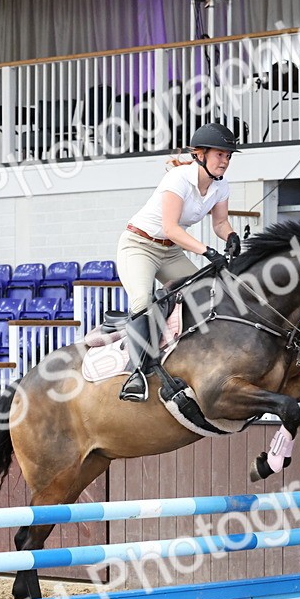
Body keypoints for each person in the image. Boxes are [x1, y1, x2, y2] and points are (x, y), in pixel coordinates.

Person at [116, 122, 243, 402]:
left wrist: (231, 236)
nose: (225, 161)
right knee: (141, 303)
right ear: (201, 154)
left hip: (170, 251)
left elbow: (220, 222)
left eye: (228, 156)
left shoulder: (220, 187)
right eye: (220, 154)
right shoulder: (178, 179)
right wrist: (207, 251)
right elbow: (171, 227)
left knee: (206, 295)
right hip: (139, 246)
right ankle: (136, 374)